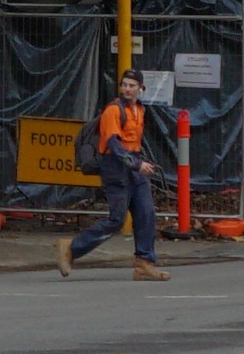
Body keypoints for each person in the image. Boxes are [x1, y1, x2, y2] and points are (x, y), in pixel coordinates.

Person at [59, 76, 170, 275]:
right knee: (117, 219)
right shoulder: (113, 110)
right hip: (115, 167)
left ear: (140, 88)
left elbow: (132, 143)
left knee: (146, 213)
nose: (127, 89)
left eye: (132, 86)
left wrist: (139, 163)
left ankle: (144, 263)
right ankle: (71, 248)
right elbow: (114, 145)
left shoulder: (140, 110)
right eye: (124, 85)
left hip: (134, 165)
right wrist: (137, 165)